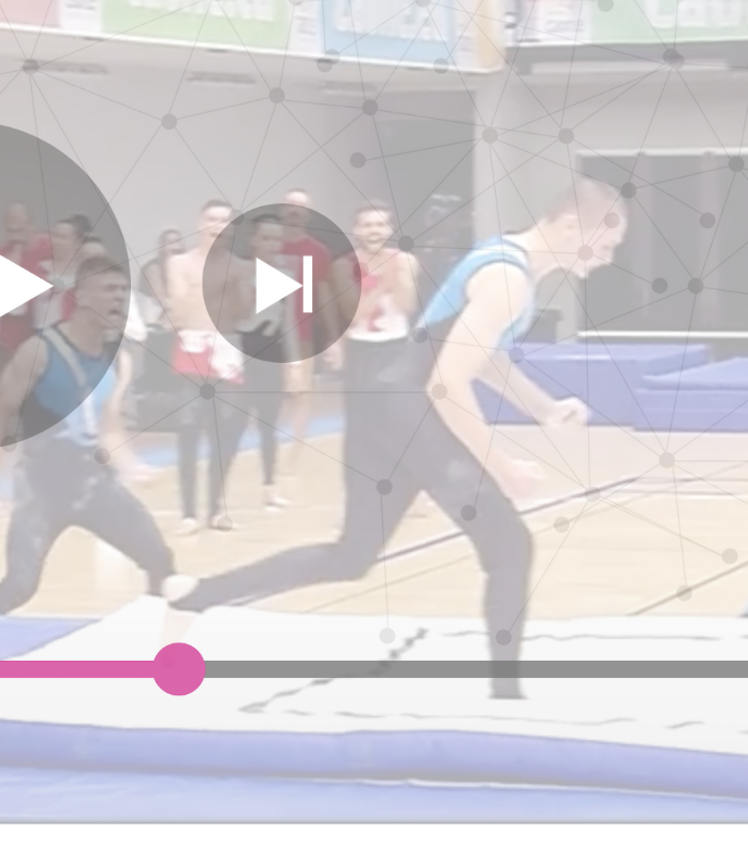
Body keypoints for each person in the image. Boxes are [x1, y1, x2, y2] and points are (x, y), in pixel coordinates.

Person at [166, 178, 629, 700]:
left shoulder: (507, 261)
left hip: (383, 405)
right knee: (510, 546)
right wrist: (501, 466)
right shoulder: (507, 280)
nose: (608, 258)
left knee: (351, 556)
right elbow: (447, 383)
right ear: (570, 225)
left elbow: (484, 357)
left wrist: (545, 409)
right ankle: (506, 696)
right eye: (606, 244)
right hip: (409, 410)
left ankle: (193, 597)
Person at [0, 254, 174, 612]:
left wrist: (132, 465)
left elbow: (108, 430)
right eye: (108, 289)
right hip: (42, 487)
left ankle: (159, 631)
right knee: (20, 585)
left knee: (161, 562)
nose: (118, 298)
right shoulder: (39, 352)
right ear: (81, 296)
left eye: (122, 291)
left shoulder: (118, 359)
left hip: (92, 483)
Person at [205, 214, 299, 512]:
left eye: (276, 238)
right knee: (233, 425)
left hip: (272, 354)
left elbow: (290, 321)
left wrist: (294, 362)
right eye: (266, 238)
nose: (272, 244)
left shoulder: (288, 272)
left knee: (268, 424)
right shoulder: (239, 272)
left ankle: (270, 487)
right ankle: (216, 494)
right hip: (241, 352)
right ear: (254, 241)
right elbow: (230, 317)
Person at [165, 200, 242, 535]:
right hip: (192, 348)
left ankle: (216, 506)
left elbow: (242, 311)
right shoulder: (178, 263)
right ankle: (188, 511)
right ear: (200, 222)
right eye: (212, 219)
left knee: (224, 431)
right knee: (188, 429)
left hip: (226, 349)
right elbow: (179, 311)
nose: (217, 226)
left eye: (224, 221)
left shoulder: (240, 266)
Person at [336, 202, 420, 483]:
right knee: (359, 424)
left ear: (390, 229)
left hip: (397, 347)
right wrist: (382, 284)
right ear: (357, 230)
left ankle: (403, 484)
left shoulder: (406, 261)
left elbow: (407, 306)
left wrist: (398, 277)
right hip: (361, 350)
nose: (374, 230)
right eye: (368, 225)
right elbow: (352, 316)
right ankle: (359, 485)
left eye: (380, 225)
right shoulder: (344, 265)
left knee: (401, 419)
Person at [278, 189, 341, 468]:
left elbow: (323, 293)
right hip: (264, 333)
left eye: (301, 207)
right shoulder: (264, 245)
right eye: (290, 205)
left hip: (301, 333)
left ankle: (294, 453)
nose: (295, 211)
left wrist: (333, 336)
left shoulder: (318, 251)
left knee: (299, 393)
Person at [0, 203, 49, 362]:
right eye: (11, 231)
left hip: (42, 337)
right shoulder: (0, 253)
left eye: (20, 230)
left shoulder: (50, 248)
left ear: (32, 226)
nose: (16, 237)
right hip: (8, 339)